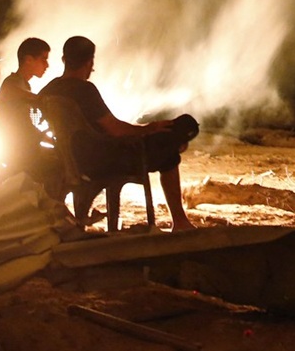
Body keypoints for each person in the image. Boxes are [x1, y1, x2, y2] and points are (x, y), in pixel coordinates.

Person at [39, 35, 200, 231]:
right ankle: (180, 222)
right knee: (171, 148)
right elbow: (116, 130)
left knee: (171, 137)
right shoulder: (85, 90)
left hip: (70, 159)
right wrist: (149, 129)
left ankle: (176, 140)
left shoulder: (48, 90)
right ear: (90, 62)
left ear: (64, 60)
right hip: (103, 159)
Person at [0, 37, 56, 187]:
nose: (47, 65)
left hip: (22, 149)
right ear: (28, 60)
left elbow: (26, 124)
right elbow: (11, 93)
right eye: (43, 59)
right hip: (17, 153)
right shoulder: (13, 82)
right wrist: (42, 100)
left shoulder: (24, 85)